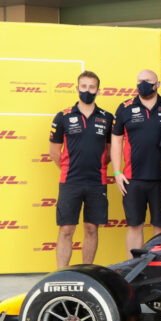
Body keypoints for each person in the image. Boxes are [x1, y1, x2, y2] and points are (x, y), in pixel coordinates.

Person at [48, 70, 113, 267]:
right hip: (70, 181)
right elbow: (54, 152)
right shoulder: (63, 117)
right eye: (84, 87)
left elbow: (111, 151)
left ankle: (86, 272)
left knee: (92, 228)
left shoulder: (107, 118)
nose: (87, 91)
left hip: (97, 181)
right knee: (67, 229)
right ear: (77, 88)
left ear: (98, 90)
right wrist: (70, 167)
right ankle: (61, 274)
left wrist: (98, 165)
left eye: (91, 87)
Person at [111, 69, 161, 257]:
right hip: (133, 179)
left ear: (157, 84)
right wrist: (117, 172)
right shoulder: (125, 107)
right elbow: (116, 140)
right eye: (140, 80)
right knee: (134, 225)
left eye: (148, 81)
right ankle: (133, 267)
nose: (143, 84)